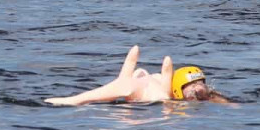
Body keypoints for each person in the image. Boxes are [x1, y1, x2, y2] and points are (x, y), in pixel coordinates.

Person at [45, 45, 234, 106]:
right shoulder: (159, 93)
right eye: (194, 89)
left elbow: (215, 98)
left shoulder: (172, 93)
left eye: (201, 87)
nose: (198, 91)